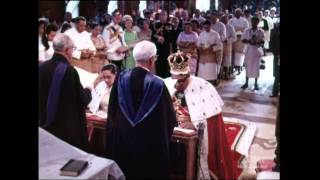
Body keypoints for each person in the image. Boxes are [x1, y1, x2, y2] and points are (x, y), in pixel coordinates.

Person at [105, 40, 176, 179]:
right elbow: (169, 119)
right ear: (151, 60)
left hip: (123, 143)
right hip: (149, 149)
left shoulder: (120, 78)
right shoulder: (157, 84)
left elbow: (112, 111)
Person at [164, 52, 239, 180]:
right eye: (174, 80)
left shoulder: (204, 87)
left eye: (181, 81)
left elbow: (211, 121)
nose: (177, 85)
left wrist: (194, 123)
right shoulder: (169, 83)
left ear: (187, 75)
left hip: (191, 130)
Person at [39, 33, 92, 151]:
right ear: (67, 50)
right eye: (73, 49)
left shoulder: (41, 67)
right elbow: (82, 100)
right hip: (66, 130)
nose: (72, 52)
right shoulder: (68, 71)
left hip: (45, 126)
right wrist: (88, 90)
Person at [241, 17, 265, 90]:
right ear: (251, 22)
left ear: (258, 22)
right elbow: (242, 40)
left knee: (256, 67)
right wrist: (249, 41)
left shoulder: (260, 31)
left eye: (256, 22)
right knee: (248, 67)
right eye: (253, 21)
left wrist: (257, 42)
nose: (254, 23)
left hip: (256, 51)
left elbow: (263, 42)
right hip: (248, 50)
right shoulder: (247, 30)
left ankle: (256, 83)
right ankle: (246, 82)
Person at [197, 20, 222, 86]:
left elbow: (219, 45)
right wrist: (200, 48)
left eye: (207, 27)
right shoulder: (201, 34)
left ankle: (212, 86)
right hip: (203, 56)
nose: (206, 29)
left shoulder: (215, 34)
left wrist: (211, 48)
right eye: (205, 27)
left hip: (211, 56)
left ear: (210, 26)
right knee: (202, 75)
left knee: (211, 75)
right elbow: (198, 44)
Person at [151, 10, 174, 78]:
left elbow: (172, 38)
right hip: (157, 49)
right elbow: (152, 36)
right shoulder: (154, 25)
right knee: (158, 66)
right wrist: (157, 39)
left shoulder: (170, 26)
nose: (163, 16)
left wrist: (164, 39)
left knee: (167, 68)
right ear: (159, 16)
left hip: (166, 49)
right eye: (161, 15)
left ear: (167, 16)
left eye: (164, 15)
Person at [210, 12, 226, 80]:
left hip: (218, 46)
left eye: (214, 18)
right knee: (210, 62)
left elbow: (223, 36)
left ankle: (217, 76)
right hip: (209, 46)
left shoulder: (221, 25)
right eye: (211, 18)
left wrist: (216, 41)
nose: (212, 19)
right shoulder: (209, 24)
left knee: (218, 61)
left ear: (217, 17)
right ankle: (210, 76)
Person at [220, 15, 236, 79]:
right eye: (223, 19)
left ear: (227, 20)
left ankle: (226, 74)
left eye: (225, 19)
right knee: (220, 60)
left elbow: (234, 37)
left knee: (227, 60)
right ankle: (220, 74)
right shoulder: (219, 26)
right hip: (220, 44)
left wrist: (228, 40)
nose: (224, 21)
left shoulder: (230, 27)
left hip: (227, 45)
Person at [270, 22, 280, 97]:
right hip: (277, 54)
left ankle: (275, 92)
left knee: (277, 74)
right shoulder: (275, 31)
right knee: (276, 74)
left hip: (277, 54)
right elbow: (272, 42)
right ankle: (275, 92)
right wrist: (274, 52)